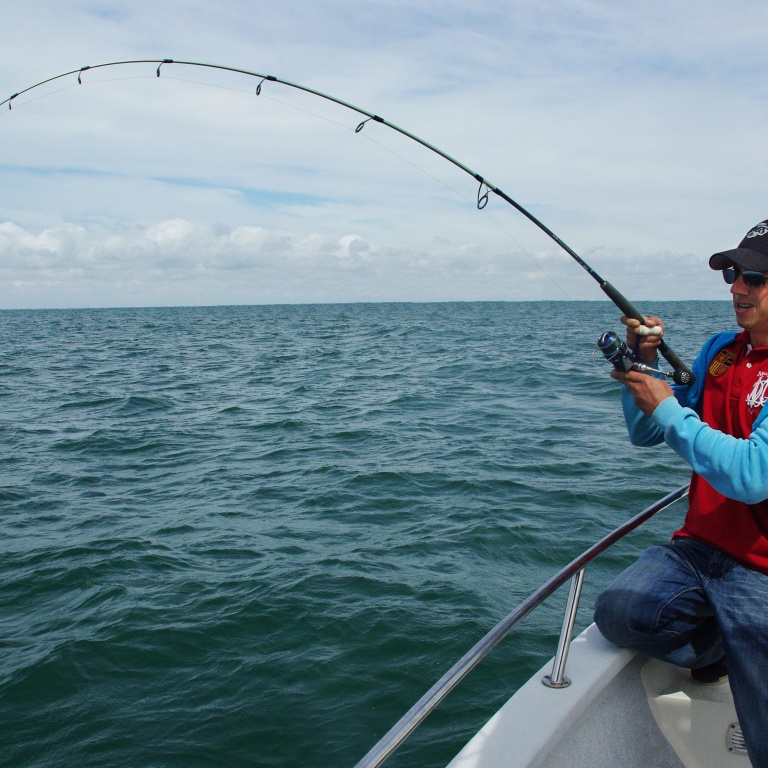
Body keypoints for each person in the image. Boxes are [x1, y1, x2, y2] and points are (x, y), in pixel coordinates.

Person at [593, 219, 768, 767]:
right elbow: (647, 432)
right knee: (618, 613)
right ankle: (718, 640)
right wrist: (640, 365)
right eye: (734, 274)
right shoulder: (720, 349)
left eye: (755, 277)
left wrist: (668, 404)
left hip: (763, 571)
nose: (737, 287)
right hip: (700, 548)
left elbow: (751, 474)